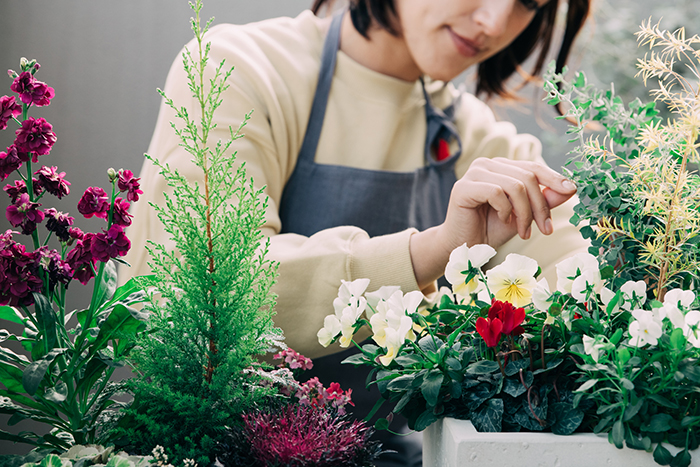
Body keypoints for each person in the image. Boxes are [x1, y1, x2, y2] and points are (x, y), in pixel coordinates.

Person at [122, 0, 591, 465]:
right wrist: (436, 250)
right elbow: (203, 289)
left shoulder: (485, 144)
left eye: (529, 2)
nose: (494, 21)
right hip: (210, 451)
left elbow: (583, 298)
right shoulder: (237, 70)